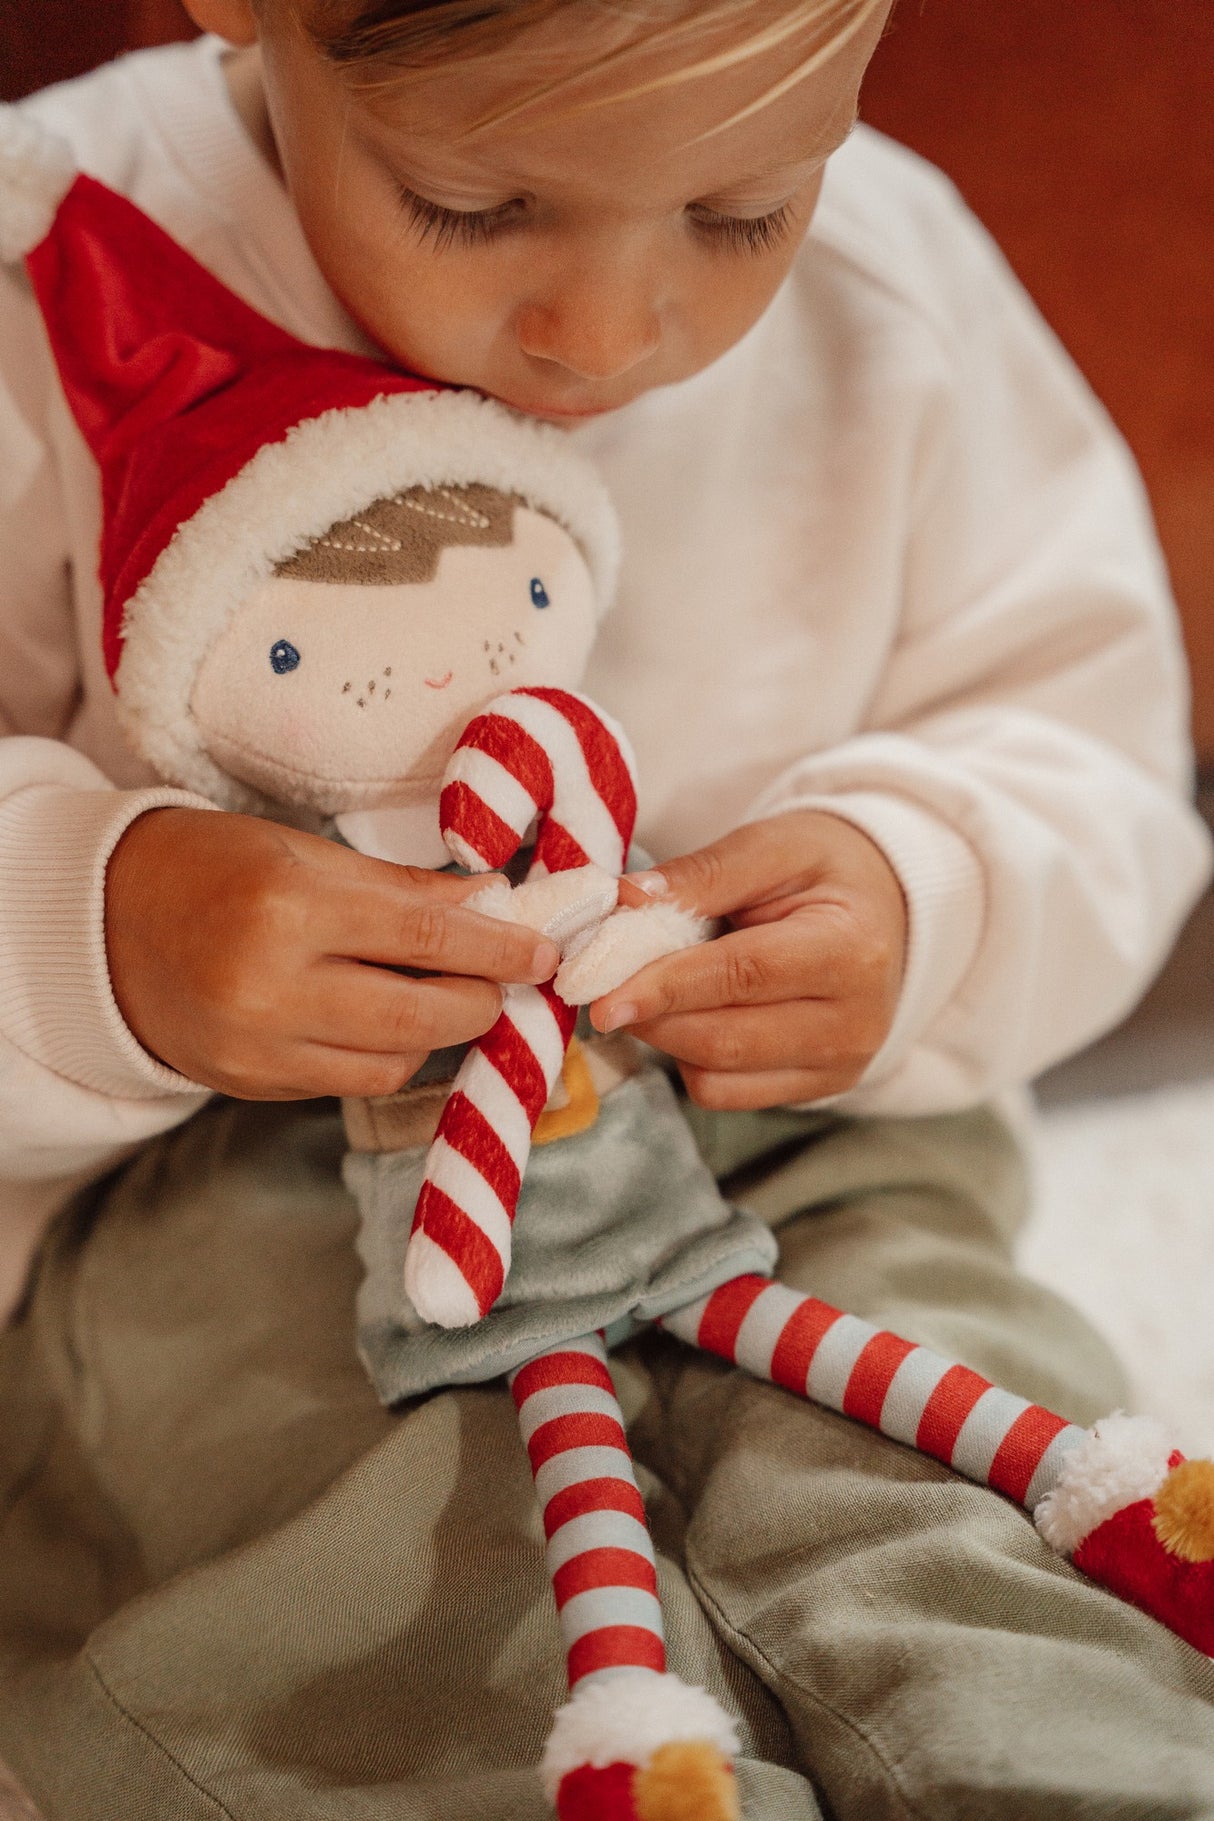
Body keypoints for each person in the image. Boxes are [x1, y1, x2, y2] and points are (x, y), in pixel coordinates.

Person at [0, 3, 1212, 1817]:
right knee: (402, 1614)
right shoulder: (45, 248)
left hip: (791, 1134)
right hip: (215, 1188)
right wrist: (99, 935)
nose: (613, 328)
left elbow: (1085, 732)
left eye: (741, 213)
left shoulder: (898, 282)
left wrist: (923, 892)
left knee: (965, 1509)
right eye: (473, 206)